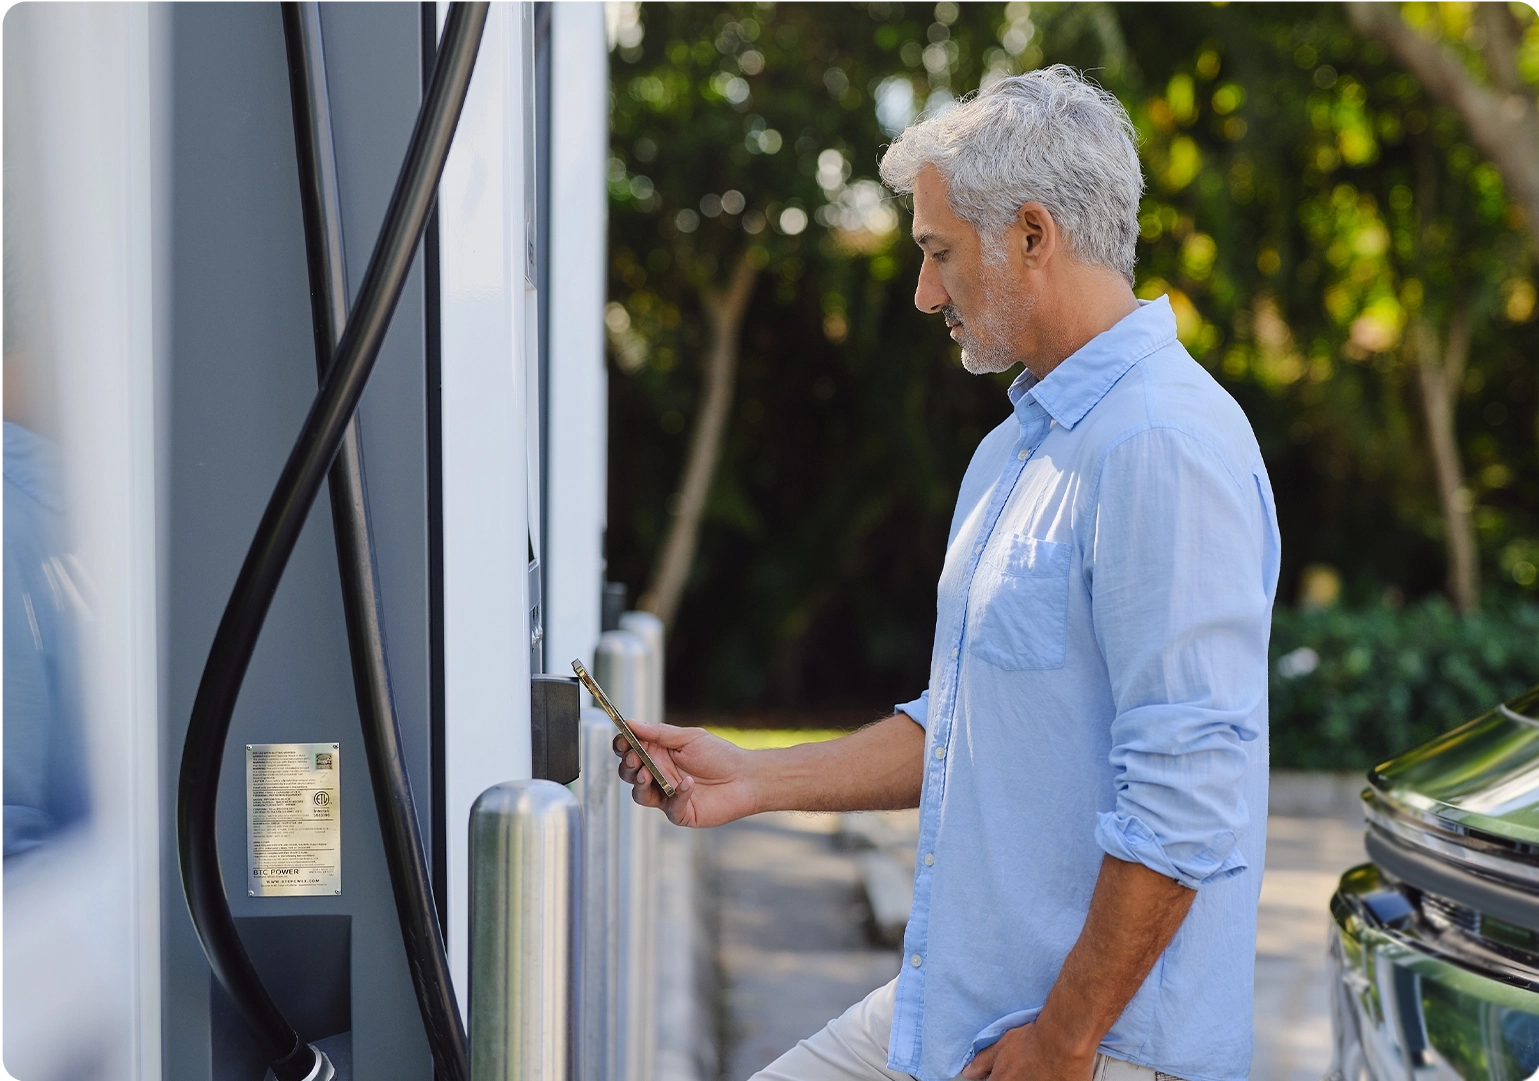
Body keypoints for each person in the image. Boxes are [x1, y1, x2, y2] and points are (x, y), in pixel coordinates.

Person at [615, 66, 1278, 1081]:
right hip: (962, 1007)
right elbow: (967, 724)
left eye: (938, 253)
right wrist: (751, 776)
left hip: (1100, 1048)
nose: (925, 292)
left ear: (1031, 235)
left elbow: (1188, 797)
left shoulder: (1162, 445)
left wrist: (1064, 1039)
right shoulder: (1017, 448)